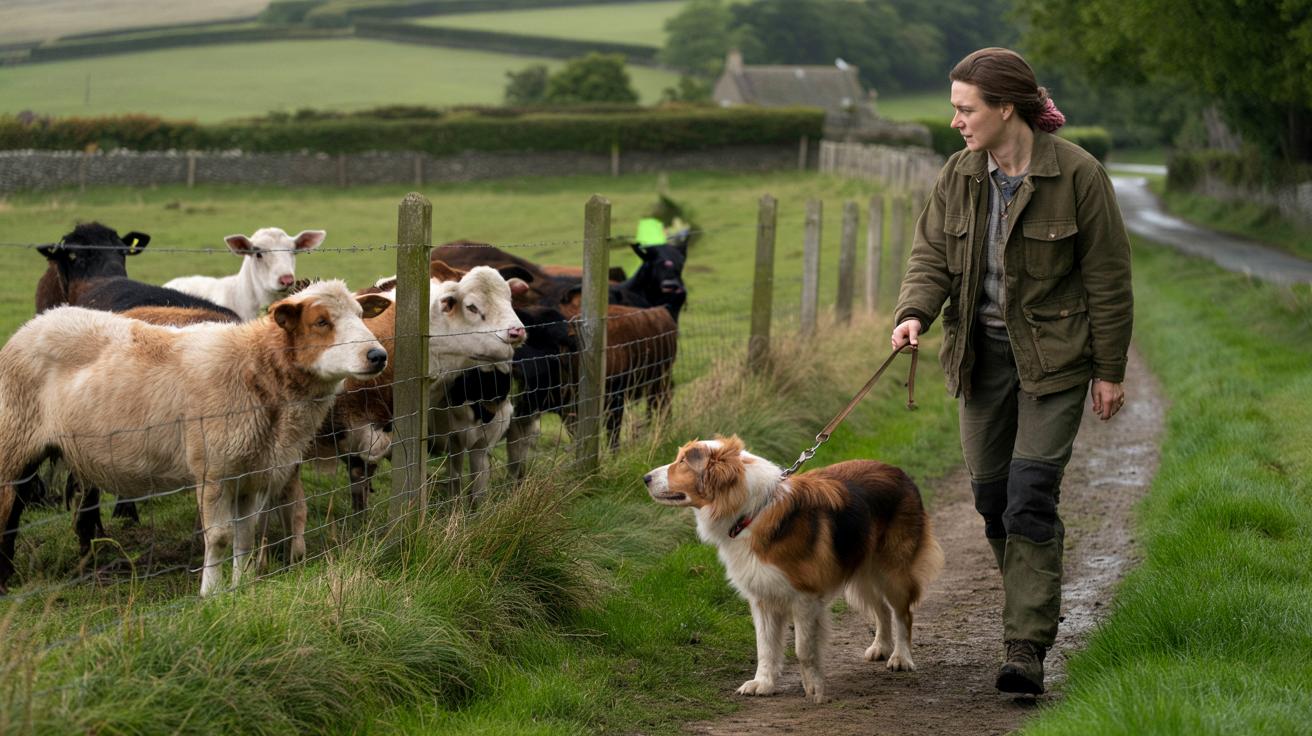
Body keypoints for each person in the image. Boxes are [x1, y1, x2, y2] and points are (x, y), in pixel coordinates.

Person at [890, 47, 1133, 695]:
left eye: (965, 109)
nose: (955, 121)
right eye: (954, 109)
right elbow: (932, 257)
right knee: (991, 498)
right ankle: (1033, 593)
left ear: (1006, 108)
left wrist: (1109, 368)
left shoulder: (1080, 176)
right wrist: (914, 312)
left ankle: (1024, 644)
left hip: (1054, 362)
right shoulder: (959, 175)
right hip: (980, 359)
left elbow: (1108, 280)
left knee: (1029, 496)